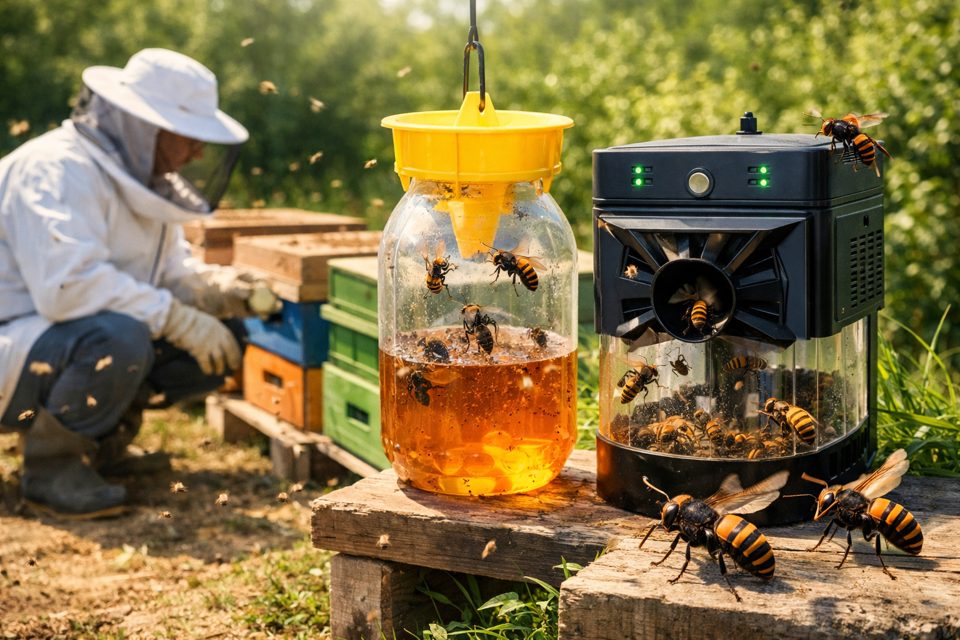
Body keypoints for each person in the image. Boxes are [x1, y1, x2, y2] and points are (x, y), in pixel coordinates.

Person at [0, 48, 276, 519]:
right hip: (16, 339)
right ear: (145, 128)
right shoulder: (55, 169)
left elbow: (169, 273)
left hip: (63, 339)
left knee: (221, 336)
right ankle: (52, 470)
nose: (199, 153)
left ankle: (101, 447)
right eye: (188, 136)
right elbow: (68, 288)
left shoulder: (143, 183)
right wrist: (175, 318)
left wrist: (215, 291)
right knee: (120, 337)